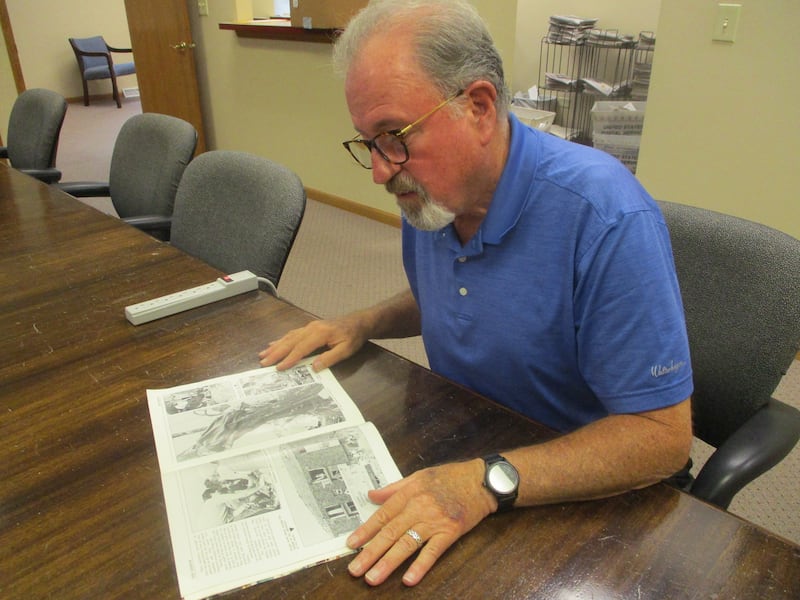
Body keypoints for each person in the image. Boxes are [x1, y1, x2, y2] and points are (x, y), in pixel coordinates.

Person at [259, 0, 693, 588]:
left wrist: (484, 482)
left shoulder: (605, 216)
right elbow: (458, 294)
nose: (380, 173)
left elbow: (662, 441)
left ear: (479, 107)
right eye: (368, 142)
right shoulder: (436, 197)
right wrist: (363, 320)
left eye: (394, 136)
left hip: (580, 496)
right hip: (468, 445)